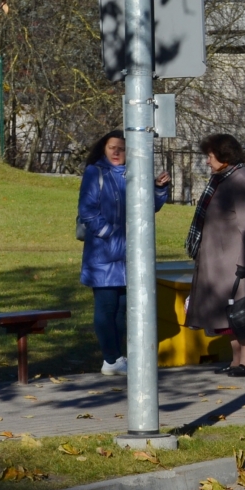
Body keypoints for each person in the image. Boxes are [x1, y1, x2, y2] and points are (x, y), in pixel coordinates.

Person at [78, 130, 171, 376]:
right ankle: (110, 358)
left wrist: (160, 188)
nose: (117, 152)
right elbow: (87, 212)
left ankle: (117, 358)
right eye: (112, 148)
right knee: (106, 307)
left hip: (130, 255)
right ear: (104, 149)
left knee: (122, 309)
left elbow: (150, 206)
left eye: (122, 148)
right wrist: (113, 234)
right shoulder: (94, 173)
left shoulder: (135, 173)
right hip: (103, 254)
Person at [184, 133, 245, 377]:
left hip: (235, 264)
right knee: (228, 315)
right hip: (219, 263)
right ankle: (236, 361)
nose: (207, 161)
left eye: (210, 156)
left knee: (244, 312)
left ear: (224, 156)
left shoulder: (241, 183)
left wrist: (244, 265)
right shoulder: (221, 180)